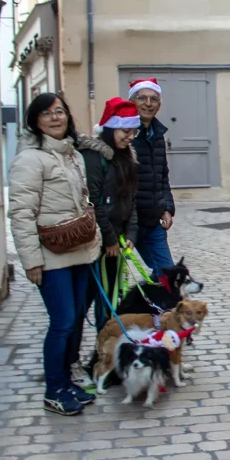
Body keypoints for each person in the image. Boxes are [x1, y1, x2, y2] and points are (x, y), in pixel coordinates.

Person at [8, 93, 101, 416]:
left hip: (78, 251)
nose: (55, 118)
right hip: (51, 256)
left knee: (74, 320)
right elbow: (21, 214)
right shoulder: (30, 159)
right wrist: (31, 260)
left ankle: (66, 383)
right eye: (47, 113)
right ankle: (54, 389)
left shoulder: (71, 154)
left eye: (60, 111)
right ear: (35, 120)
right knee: (61, 322)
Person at [77, 98, 140, 335]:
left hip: (116, 244)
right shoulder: (94, 158)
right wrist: (110, 238)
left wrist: (130, 233)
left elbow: (130, 200)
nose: (130, 136)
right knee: (85, 303)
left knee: (111, 302)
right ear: (111, 128)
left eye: (133, 131)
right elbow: (94, 202)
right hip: (97, 245)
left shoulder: (127, 157)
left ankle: (106, 352)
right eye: (126, 131)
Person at [128, 78, 176, 274]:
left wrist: (167, 208)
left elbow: (163, 176)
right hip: (128, 220)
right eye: (142, 98)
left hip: (153, 219)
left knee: (166, 274)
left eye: (153, 99)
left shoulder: (157, 135)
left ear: (159, 105)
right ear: (132, 101)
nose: (148, 103)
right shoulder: (124, 133)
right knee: (112, 285)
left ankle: (160, 304)